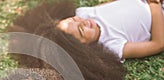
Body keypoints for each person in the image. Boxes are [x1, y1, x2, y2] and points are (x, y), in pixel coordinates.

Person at [10, 0, 164, 61]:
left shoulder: (84, 13)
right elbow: (158, 44)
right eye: (82, 31)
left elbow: (116, 5)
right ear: (84, 48)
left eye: (75, 20)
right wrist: (154, 5)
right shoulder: (112, 46)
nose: (84, 22)